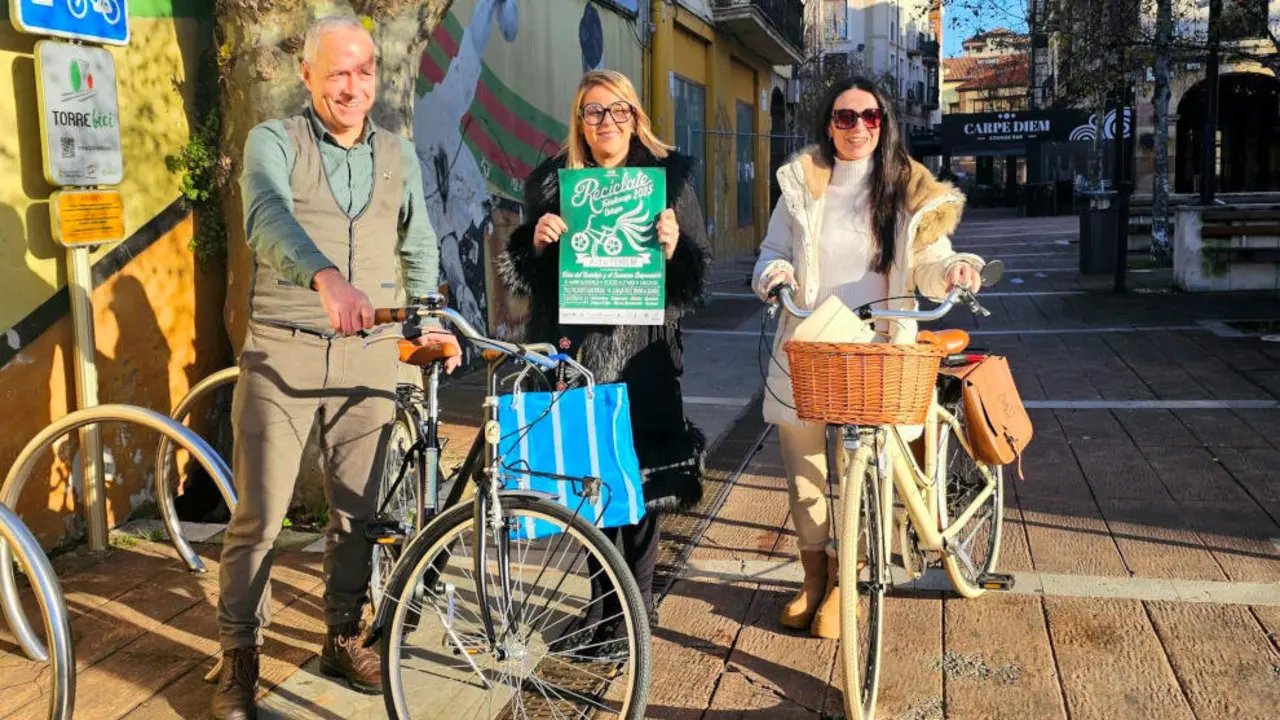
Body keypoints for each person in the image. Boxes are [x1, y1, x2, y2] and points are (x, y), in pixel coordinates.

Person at [212, 16, 460, 720]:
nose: (353, 87)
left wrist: (429, 316)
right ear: (308, 75)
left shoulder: (396, 152)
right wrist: (325, 276)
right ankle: (239, 654)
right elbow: (264, 214)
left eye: (364, 71)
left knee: (358, 514)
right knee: (260, 515)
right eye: (338, 72)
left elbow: (418, 242)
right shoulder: (273, 141)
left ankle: (342, 635)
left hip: (368, 356)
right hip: (283, 349)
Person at [753, 77, 984, 639]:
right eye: (845, 117)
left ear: (885, 124)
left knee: (863, 466)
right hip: (810, 341)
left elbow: (930, 260)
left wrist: (953, 270)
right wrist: (775, 274)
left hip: (878, 349)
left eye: (870, 116)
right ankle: (814, 575)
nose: (858, 127)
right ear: (828, 125)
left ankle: (849, 581)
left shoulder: (909, 188)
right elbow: (773, 251)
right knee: (803, 465)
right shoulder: (801, 184)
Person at [497, 69, 710, 645]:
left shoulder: (668, 182)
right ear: (580, 122)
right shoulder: (553, 184)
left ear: (636, 118)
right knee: (590, 489)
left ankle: (633, 618)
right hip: (575, 355)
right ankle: (602, 609)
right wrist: (534, 245)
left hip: (643, 359)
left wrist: (675, 249)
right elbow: (531, 284)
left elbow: (697, 278)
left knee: (638, 489)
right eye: (594, 112)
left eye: (618, 111)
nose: (606, 122)